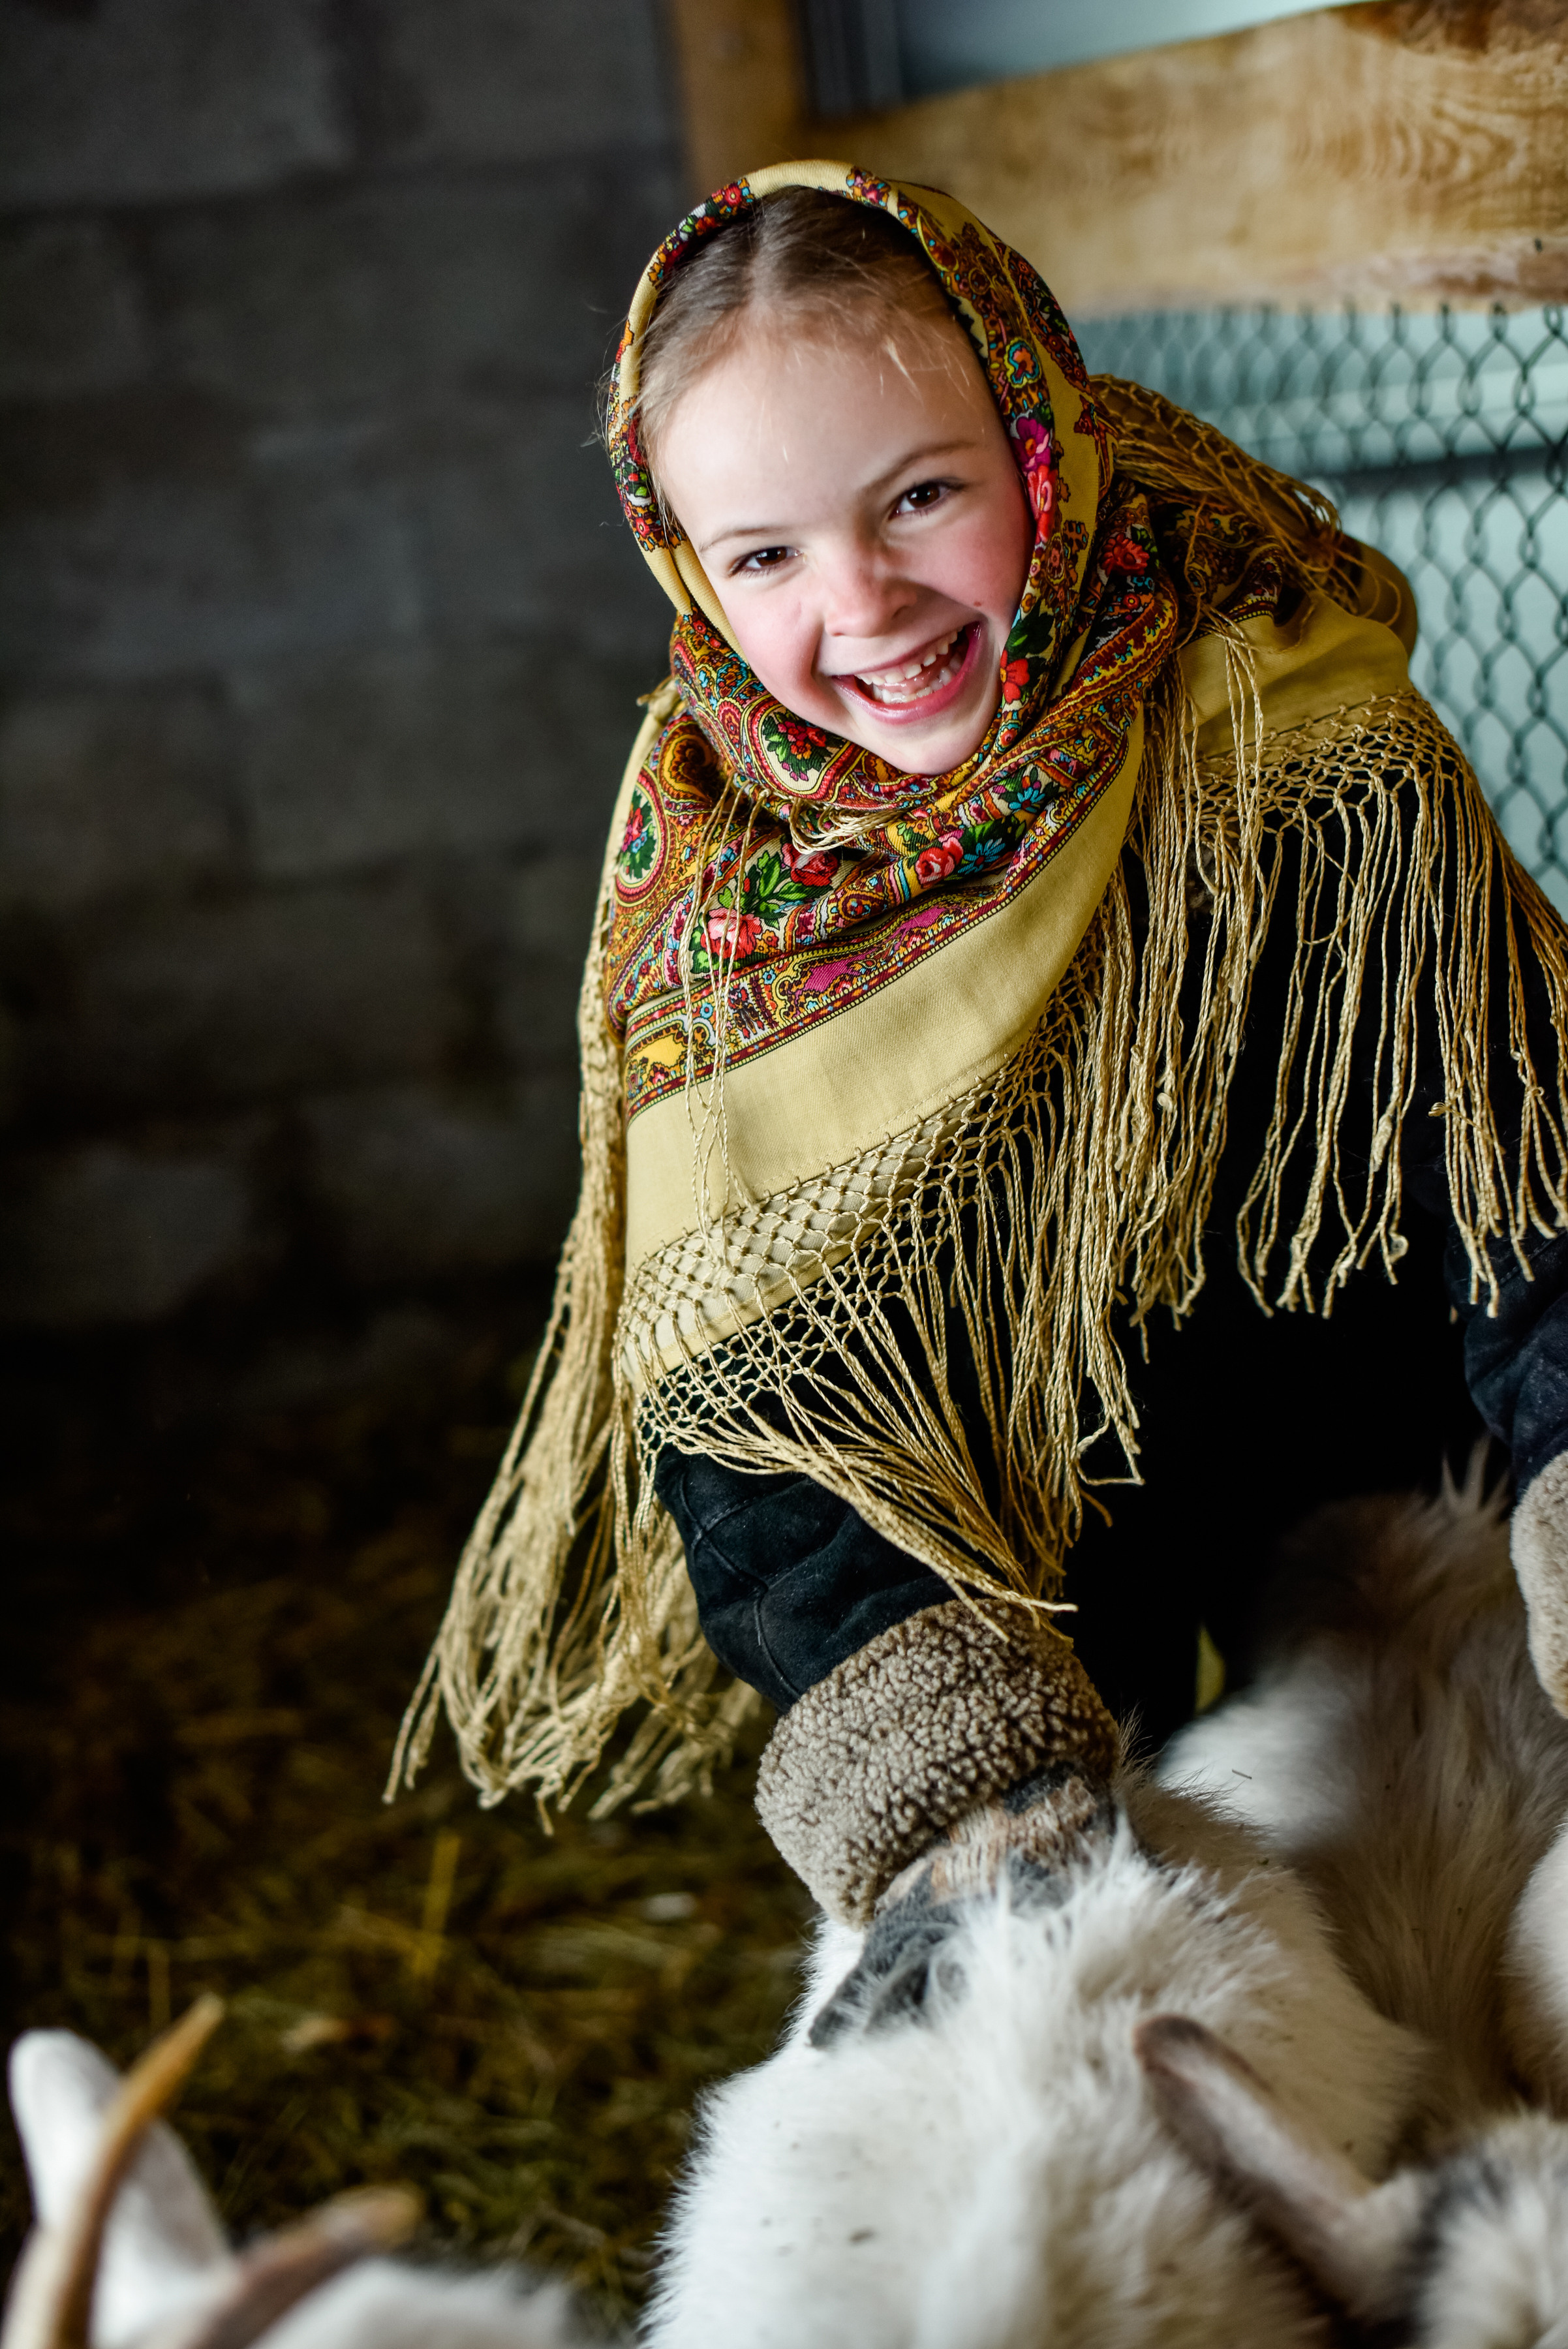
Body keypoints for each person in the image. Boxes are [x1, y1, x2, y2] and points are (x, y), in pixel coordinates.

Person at [394, 163, 1568, 1929]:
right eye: (766, 555)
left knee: (1438, 1875)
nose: (858, 601)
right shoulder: (719, 902)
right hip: (1007, 1515)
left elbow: (1514, 1135)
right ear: (687, 571)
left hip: (1359, 1430)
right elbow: (745, 1378)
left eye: (920, 496)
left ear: (1038, 446)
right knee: (1098, 1921)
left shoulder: (1291, 721)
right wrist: (936, 1744)